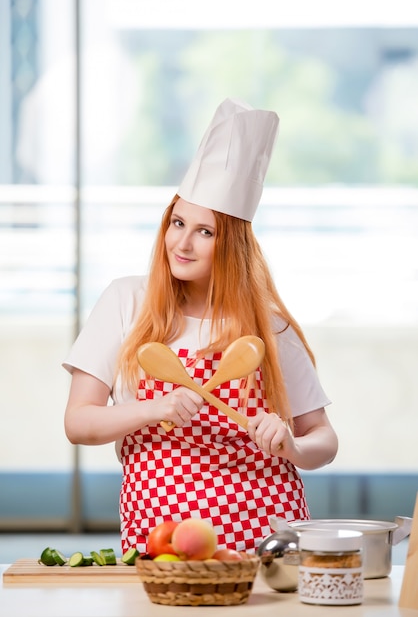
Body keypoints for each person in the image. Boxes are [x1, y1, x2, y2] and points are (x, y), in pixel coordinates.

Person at [63, 98, 338, 555]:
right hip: (162, 537)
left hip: (266, 534)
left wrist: (290, 444)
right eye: (177, 223)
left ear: (230, 245)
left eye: (204, 232)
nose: (182, 243)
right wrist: (155, 409)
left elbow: (324, 440)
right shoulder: (126, 301)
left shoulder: (268, 326)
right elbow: (79, 423)